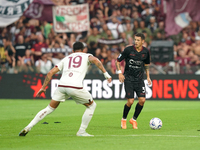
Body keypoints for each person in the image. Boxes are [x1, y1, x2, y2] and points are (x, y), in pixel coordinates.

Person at [19, 42, 112, 137]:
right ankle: (81, 131)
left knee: (49, 108)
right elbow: (96, 60)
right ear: (84, 50)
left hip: (62, 86)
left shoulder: (66, 58)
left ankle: (28, 126)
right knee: (92, 106)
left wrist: (43, 88)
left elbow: (50, 73)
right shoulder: (86, 55)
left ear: (72, 51)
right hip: (75, 86)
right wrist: (106, 74)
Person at [115, 33, 152, 129]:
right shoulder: (128, 50)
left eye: (138, 40)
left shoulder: (146, 52)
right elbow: (118, 61)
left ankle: (134, 119)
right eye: (135, 40)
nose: (136, 42)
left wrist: (148, 77)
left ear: (143, 41)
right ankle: (124, 119)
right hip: (129, 79)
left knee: (142, 100)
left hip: (140, 79)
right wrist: (120, 73)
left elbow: (146, 64)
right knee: (130, 101)